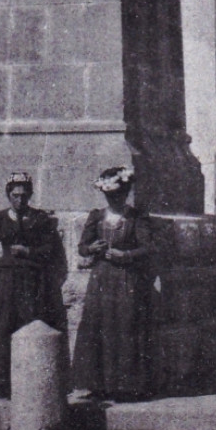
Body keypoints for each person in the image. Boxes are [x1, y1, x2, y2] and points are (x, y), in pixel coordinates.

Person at [0, 171, 67, 398]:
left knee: (29, 325)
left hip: (33, 282)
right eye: (15, 195)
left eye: (23, 195)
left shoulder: (40, 219)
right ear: (8, 195)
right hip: (6, 281)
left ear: (30, 195)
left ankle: (31, 380)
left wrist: (29, 251)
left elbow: (52, 250)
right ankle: (2, 384)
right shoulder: (0, 219)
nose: (19, 200)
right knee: (2, 328)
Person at [72, 165, 152, 401]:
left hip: (126, 279)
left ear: (125, 193)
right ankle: (97, 384)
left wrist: (126, 256)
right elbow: (82, 247)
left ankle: (125, 386)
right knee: (98, 327)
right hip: (101, 278)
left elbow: (149, 248)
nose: (114, 199)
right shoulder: (96, 216)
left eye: (118, 194)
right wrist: (91, 248)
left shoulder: (136, 217)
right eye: (109, 195)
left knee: (124, 327)